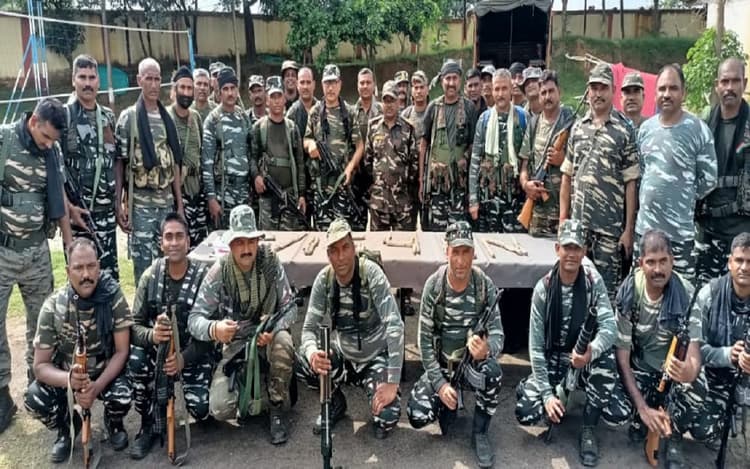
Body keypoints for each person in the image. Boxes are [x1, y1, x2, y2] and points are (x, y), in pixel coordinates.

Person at [515, 220, 620, 468]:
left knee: (618, 410)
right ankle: (554, 396)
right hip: (553, 359)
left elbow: (610, 328)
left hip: (582, 359)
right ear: (557, 249)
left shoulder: (593, 282)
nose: (572, 254)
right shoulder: (544, 288)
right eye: (567, 247)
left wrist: (591, 351)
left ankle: (588, 428)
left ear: (584, 251)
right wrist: (547, 396)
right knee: (526, 412)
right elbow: (536, 349)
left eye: (577, 248)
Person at [188, 205, 296, 445]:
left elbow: (291, 308)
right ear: (230, 244)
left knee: (284, 341)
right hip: (236, 345)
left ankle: (277, 406)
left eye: (251, 242)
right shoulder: (220, 272)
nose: (246, 249)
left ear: (257, 241)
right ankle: (263, 387)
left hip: (267, 339)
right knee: (220, 407)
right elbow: (194, 319)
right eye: (240, 243)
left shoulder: (270, 263)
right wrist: (215, 329)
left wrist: (274, 328)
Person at [0, 97, 72, 434]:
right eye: (45, 137)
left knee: (41, 323)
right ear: (33, 122)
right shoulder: (4, 140)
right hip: (3, 253)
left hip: (37, 253)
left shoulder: (51, 151)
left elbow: (58, 200)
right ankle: (2, 393)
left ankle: (37, 383)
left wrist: (70, 245)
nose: (48, 144)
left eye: (53, 140)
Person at [406, 221, 504, 469]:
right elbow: (424, 343)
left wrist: (487, 349)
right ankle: (448, 401)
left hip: (471, 365)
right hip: (442, 364)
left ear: (474, 253)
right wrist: (440, 386)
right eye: (455, 252)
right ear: (446, 252)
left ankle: (480, 432)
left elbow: (498, 334)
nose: (461, 261)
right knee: (417, 414)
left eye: (466, 252)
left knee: (492, 373)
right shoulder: (434, 286)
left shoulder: (483, 285)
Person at [24, 238, 131, 461]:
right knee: (34, 398)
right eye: (78, 268)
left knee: (126, 391)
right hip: (68, 377)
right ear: (67, 271)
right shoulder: (53, 307)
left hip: (104, 373)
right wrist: (70, 380)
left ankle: (114, 422)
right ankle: (68, 427)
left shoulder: (113, 297)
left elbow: (122, 351)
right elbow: (40, 366)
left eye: (91, 266)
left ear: (98, 267)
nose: (86, 275)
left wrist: (96, 386)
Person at [296, 218, 404, 439]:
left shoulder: (371, 274)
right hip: (343, 355)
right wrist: (313, 354)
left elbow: (395, 326)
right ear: (328, 255)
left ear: (354, 248)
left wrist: (392, 382)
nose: (341, 256)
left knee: (387, 416)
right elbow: (308, 329)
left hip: (374, 357)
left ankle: (374, 389)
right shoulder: (324, 280)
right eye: (334, 251)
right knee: (302, 362)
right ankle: (335, 400)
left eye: (345, 247)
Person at [608, 229, 706, 468]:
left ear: (673, 261)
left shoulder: (687, 293)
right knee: (613, 408)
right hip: (639, 368)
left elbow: (694, 354)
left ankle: (673, 435)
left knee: (699, 386)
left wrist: (687, 371)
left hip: (670, 375)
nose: (658, 269)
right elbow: (622, 357)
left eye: (663, 261)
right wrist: (642, 408)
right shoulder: (630, 291)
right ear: (641, 263)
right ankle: (642, 417)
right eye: (651, 262)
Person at [128, 213, 213, 459]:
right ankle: (148, 425)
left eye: (179, 236)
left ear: (188, 241)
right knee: (136, 359)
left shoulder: (203, 278)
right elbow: (134, 326)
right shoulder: (150, 277)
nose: (174, 242)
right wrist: (152, 336)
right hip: (159, 355)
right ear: (161, 243)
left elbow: (211, 332)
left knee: (201, 407)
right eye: (168, 237)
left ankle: (204, 410)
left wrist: (183, 359)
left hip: (192, 354)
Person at [560, 62, 640, 301]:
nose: (597, 93)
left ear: (613, 90)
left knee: (605, 297)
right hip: (579, 232)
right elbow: (567, 176)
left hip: (609, 233)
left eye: (603, 87)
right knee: (576, 294)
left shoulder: (623, 131)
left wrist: (628, 230)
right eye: (593, 88)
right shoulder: (578, 128)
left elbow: (631, 183)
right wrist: (563, 221)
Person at [635, 64, 716, 282]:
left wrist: (682, 196)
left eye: (673, 88)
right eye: (662, 89)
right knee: (642, 294)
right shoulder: (645, 130)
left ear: (683, 92)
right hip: (645, 233)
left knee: (681, 295)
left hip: (679, 236)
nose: (667, 94)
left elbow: (709, 180)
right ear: (655, 93)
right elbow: (643, 171)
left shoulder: (698, 130)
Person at [115, 57, 184, 285]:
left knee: (169, 265)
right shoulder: (129, 118)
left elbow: (174, 163)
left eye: (157, 79)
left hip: (165, 204)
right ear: (139, 80)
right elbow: (120, 162)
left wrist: (179, 205)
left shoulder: (167, 118)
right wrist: (119, 204)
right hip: (141, 206)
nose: (154, 85)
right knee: (144, 270)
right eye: (148, 79)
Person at [62, 54, 120, 280]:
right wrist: (68, 208)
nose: (87, 83)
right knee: (82, 279)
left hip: (107, 214)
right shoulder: (64, 117)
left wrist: (118, 202)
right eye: (82, 77)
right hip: (79, 216)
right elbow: (55, 171)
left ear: (98, 81)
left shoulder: (108, 117)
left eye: (92, 77)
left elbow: (116, 161)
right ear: (73, 80)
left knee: (109, 277)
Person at [692, 232, 750, 450]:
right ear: (729, 263)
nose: (744, 267)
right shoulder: (709, 294)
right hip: (714, 379)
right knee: (702, 429)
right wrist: (728, 355)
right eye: (739, 260)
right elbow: (694, 349)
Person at [696, 58, 750, 285]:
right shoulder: (704, 124)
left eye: (735, 81)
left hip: (742, 233)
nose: (729, 87)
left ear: (744, 83)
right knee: (704, 294)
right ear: (717, 85)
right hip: (707, 229)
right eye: (725, 81)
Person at [304, 64, 365, 231]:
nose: (330, 88)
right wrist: (311, 145)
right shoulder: (315, 112)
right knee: (322, 233)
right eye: (327, 83)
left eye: (333, 83)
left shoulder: (349, 112)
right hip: (321, 187)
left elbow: (360, 146)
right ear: (322, 85)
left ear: (340, 84)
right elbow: (306, 139)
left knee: (342, 232)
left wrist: (350, 168)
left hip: (342, 185)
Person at [420, 60, 478, 232]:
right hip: (437, 185)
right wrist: (421, 180)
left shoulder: (469, 108)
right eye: (447, 78)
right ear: (441, 81)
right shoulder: (433, 108)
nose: (451, 83)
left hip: (460, 185)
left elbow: (474, 145)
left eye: (454, 78)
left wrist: (465, 159)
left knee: (458, 232)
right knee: (435, 232)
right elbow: (423, 145)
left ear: (460, 80)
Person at [468, 68, 527, 233]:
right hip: (488, 198)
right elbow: (475, 160)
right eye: (497, 89)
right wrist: (473, 200)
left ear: (511, 90)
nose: (500, 94)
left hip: (515, 199)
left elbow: (528, 160)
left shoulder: (522, 117)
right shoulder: (484, 119)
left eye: (504, 88)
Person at [519, 70, 573, 237]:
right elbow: (524, 165)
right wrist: (526, 185)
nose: (547, 97)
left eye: (551, 91)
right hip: (538, 214)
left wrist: (562, 160)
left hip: (565, 212)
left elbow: (583, 165)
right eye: (543, 93)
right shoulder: (534, 123)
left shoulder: (571, 122)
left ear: (559, 92)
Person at [250, 76, 306, 231]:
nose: (276, 101)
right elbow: (252, 158)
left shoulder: (292, 129)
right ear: (267, 100)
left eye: (279, 96)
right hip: (268, 199)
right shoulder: (258, 128)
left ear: (284, 99)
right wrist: (256, 176)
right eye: (272, 97)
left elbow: (300, 164)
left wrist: (301, 194)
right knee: (268, 240)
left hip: (289, 196)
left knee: (290, 239)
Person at [201, 66, 252, 230]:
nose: (230, 93)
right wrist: (211, 198)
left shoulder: (243, 117)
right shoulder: (213, 120)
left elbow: (250, 153)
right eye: (225, 89)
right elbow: (207, 163)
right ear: (219, 92)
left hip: (244, 193)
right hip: (223, 194)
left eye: (233, 88)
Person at [365, 80, 418, 231]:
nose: (388, 105)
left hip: (402, 203)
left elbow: (414, 165)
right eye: (385, 101)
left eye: (392, 100)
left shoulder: (408, 128)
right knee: (376, 244)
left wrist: (402, 183)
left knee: (403, 244)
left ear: (398, 102)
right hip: (379, 202)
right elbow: (368, 161)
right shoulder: (373, 126)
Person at [167, 66, 208, 248]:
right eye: (182, 87)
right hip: (178, 192)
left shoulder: (196, 118)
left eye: (189, 88)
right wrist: (179, 205)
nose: (186, 92)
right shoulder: (167, 117)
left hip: (197, 192)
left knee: (201, 245)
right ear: (174, 89)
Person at [286, 67, 318, 227]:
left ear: (314, 84)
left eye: (308, 82)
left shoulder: (322, 109)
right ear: (297, 85)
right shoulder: (291, 114)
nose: (305, 86)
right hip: (300, 183)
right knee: (302, 227)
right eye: (302, 82)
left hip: (320, 182)